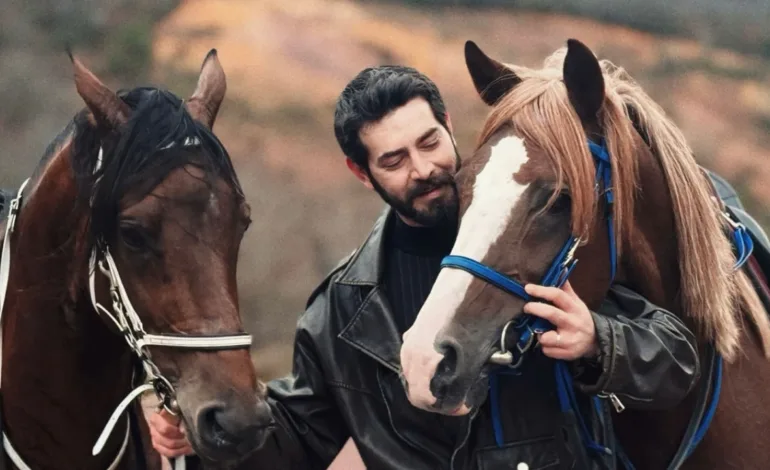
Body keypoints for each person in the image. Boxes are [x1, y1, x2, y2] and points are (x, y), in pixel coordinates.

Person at [148, 66, 703, 469]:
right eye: (393, 159)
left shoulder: (529, 237)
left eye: (429, 142)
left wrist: (598, 341)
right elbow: (299, 435)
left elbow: (676, 357)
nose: (423, 169)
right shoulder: (343, 306)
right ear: (362, 173)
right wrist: (205, 437)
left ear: (448, 126)